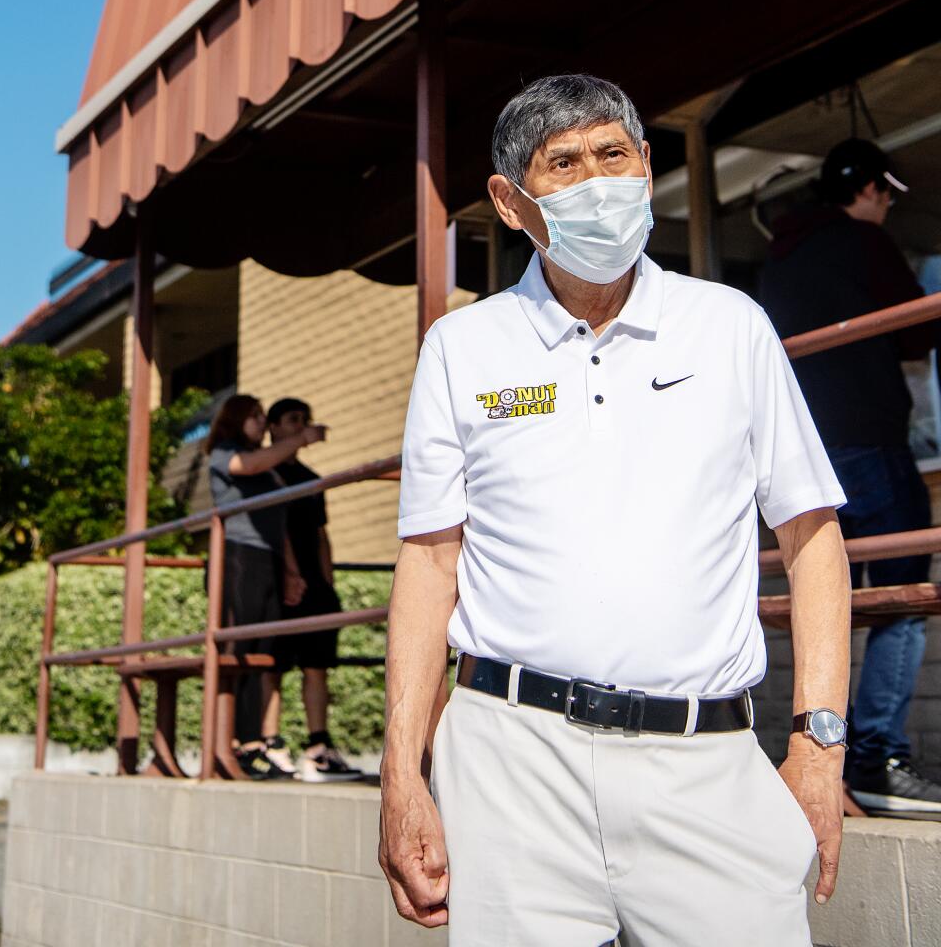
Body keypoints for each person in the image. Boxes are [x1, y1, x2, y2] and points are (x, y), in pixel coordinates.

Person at [380, 73, 851, 946]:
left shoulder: (730, 325)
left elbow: (813, 537)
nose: (598, 181)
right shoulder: (463, 348)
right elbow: (431, 561)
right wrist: (402, 769)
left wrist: (818, 750)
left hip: (707, 762)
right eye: (563, 163)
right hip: (511, 764)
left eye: (614, 154)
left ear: (644, 165)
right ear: (509, 201)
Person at [760, 137, 941, 816]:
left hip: (806, 452)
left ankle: (822, 752)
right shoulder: (865, 243)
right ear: (866, 189)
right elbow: (916, 336)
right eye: (886, 193)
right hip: (869, 438)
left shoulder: (780, 258)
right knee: (904, 595)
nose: (888, 205)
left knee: (828, 592)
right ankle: (877, 756)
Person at [205, 393, 325, 780]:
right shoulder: (225, 453)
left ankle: (255, 742)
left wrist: (291, 572)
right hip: (237, 557)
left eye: (261, 416)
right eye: (255, 416)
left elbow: (280, 526)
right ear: (236, 419)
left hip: (270, 561)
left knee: (264, 653)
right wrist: (300, 439)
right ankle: (233, 744)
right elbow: (250, 463)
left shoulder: (271, 470)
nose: (259, 422)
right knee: (237, 650)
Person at [262, 396, 362, 782]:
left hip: (313, 586)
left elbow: (321, 534)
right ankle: (270, 744)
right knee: (271, 664)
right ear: (274, 426)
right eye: (292, 420)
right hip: (273, 586)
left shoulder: (309, 478)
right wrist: (287, 575)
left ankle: (318, 746)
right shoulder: (260, 473)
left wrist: (327, 584)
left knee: (316, 665)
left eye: (305, 420)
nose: (301, 426)